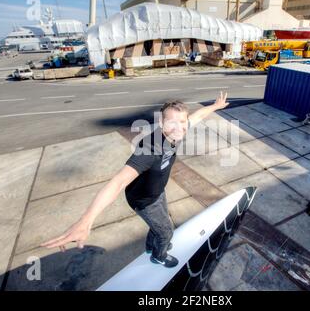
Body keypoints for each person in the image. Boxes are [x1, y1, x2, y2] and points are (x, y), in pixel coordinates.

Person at [41, 92, 229, 268]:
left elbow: (198, 116)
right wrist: (86, 220)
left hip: (157, 191)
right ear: (162, 123)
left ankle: (150, 246)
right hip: (143, 200)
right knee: (167, 231)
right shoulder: (150, 148)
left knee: (160, 225)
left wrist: (215, 105)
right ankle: (158, 255)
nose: (179, 127)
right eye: (172, 122)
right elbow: (118, 181)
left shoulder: (178, 131)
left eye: (182, 121)